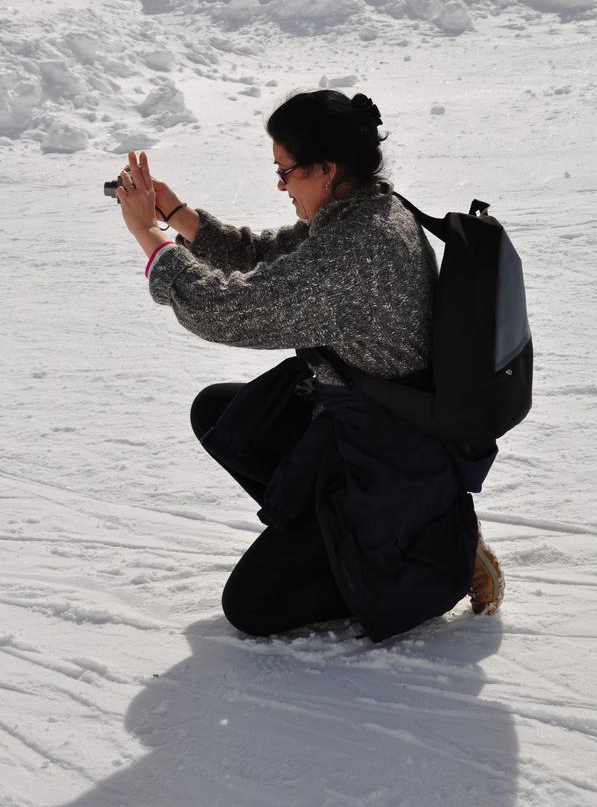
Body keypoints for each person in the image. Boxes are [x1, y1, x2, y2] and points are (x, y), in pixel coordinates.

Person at [116, 90, 504, 642]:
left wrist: (146, 235)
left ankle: (429, 555)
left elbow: (228, 310)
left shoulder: (354, 250)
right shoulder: (368, 207)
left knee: (252, 605)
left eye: (286, 172)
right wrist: (176, 214)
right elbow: (272, 255)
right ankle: (372, 534)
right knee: (225, 415)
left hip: (386, 459)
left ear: (326, 169)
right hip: (367, 426)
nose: (280, 185)